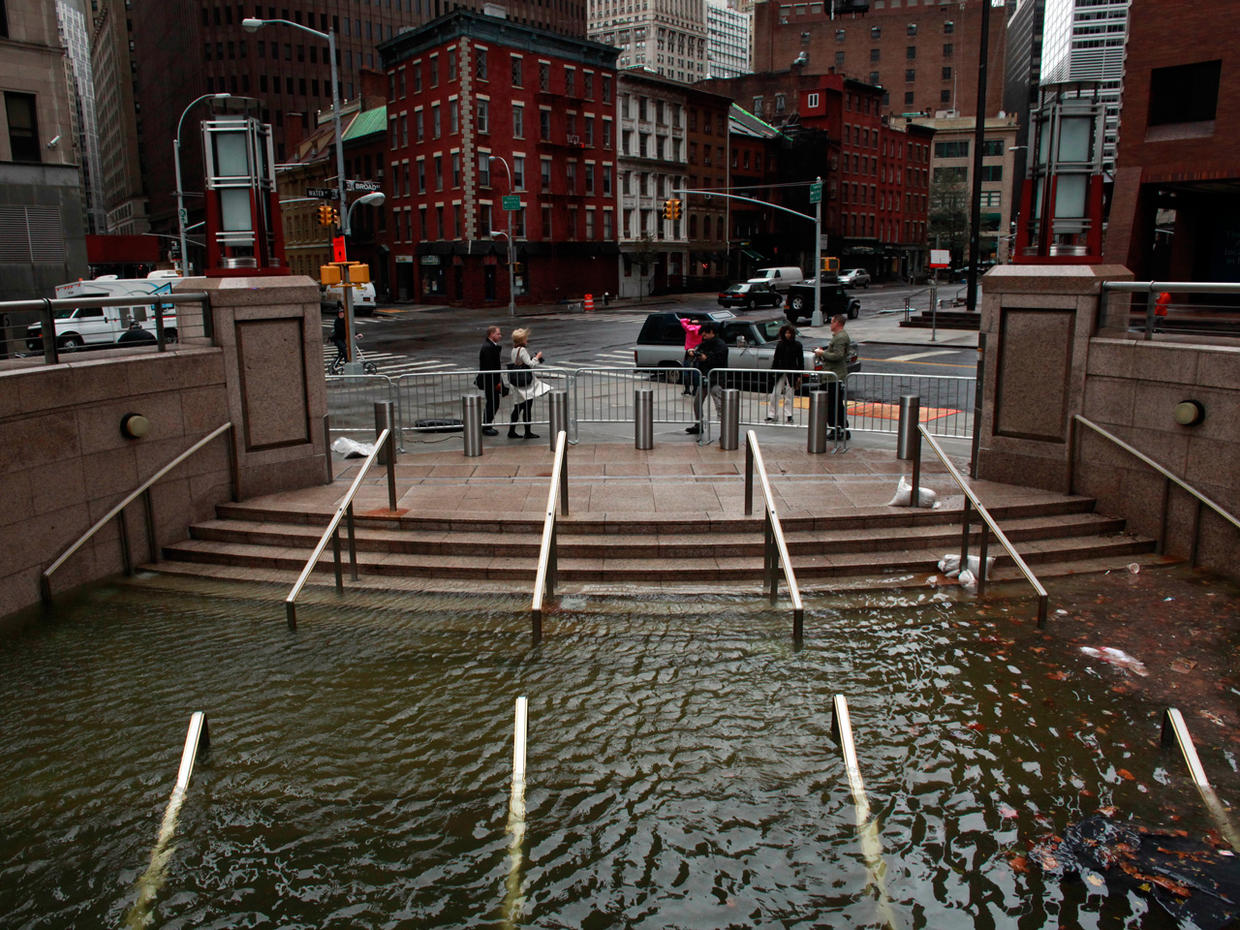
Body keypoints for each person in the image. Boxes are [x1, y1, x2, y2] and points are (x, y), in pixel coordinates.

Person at [813, 314, 853, 438]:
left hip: (834, 376)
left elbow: (837, 355)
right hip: (833, 375)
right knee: (835, 404)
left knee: (833, 405)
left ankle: (838, 429)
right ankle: (840, 429)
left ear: (837, 323)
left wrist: (822, 353)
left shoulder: (840, 337)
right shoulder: (839, 336)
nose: (830, 324)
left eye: (832, 322)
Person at [687, 320, 728, 435]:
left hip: (716, 379)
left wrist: (707, 358)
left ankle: (724, 430)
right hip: (705, 378)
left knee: (719, 405)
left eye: (705, 333)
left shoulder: (720, 345)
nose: (703, 336)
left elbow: (720, 361)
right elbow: (697, 351)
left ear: (712, 333)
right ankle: (698, 424)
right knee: (697, 402)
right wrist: (692, 352)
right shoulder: (704, 343)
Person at [507, 327, 544, 439]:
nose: (527, 339)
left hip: (517, 383)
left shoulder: (514, 350)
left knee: (518, 407)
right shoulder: (522, 350)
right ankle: (527, 432)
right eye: (525, 338)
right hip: (525, 384)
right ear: (522, 340)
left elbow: (520, 362)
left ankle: (512, 430)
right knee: (526, 407)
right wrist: (537, 357)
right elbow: (530, 364)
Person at [766, 323, 804, 423]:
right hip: (781, 371)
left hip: (792, 372)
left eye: (789, 333)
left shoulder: (797, 345)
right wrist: (773, 371)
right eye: (786, 333)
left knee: (789, 395)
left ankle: (789, 415)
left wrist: (799, 375)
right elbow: (776, 359)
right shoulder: (780, 345)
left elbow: (800, 361)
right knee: (775, 393)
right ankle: (772, 414)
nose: (788, 335)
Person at [474, 325, 506, 436]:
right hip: (490, 381)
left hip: (492, 380)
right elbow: (490, 367)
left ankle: (487, 425)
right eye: (498, 334)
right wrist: (496, 382)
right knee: (492, 403)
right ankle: (486, 425)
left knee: (493, 403)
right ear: (491, 334)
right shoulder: (488, 348)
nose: (500, 336)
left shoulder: (491, 346)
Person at [677, 315, 703, 395]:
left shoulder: (688, 328)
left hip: (688, 350)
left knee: (686, 370)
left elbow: (682, 321)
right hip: (697, 350)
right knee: (696, 371)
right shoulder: (701, 329)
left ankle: (687, 389)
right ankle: (695, 390)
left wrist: (688, 320)